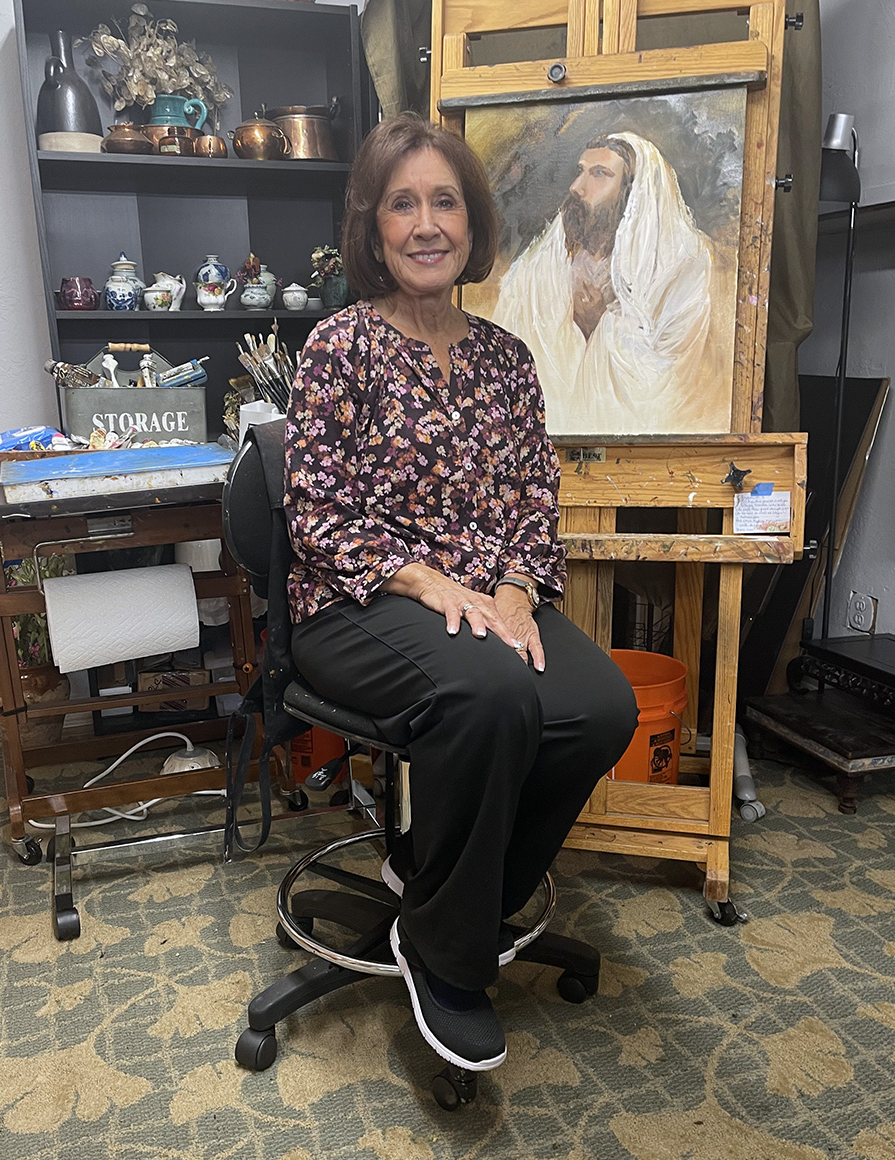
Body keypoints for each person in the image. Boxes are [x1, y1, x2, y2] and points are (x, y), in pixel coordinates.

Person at [284, 112, 638, 1073]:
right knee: (489, 695)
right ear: (373, 227)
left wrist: (519, 590)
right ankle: (449, 959)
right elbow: (317, 517)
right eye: (404, 203)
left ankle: (439, 888)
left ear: (473, 224)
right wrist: (433, 580)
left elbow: (534, 501)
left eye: (445, 201)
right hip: (358, 603)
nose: (427, 223)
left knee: (602, 707)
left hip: (489, 602)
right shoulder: (337, 347)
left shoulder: (507, 360)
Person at [493, 132, 724, 435]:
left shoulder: (682, 261)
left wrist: (597, 325)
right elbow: (512, 331)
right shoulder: (553, 255)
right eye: (580, 171)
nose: (576, 188)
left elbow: (671, 380)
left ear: (633, 190)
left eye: (599, 174)